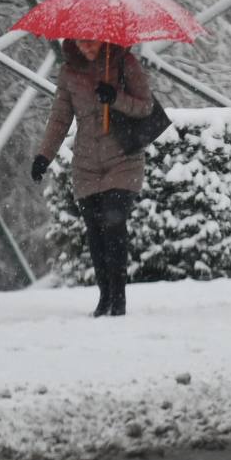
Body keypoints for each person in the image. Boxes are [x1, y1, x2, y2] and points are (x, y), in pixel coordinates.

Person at [32, 38, 153, 316]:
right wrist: (44, 156)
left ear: (103, 37)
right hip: (86, 165)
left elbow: (146, 107)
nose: (86, 47)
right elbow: (60, 119)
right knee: (95, 233)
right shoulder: (69, 72)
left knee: (113, 224)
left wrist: (116, 98)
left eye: (91, 41)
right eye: (80, 42)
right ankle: (104, 296)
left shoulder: (123, 62)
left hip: (123, 160)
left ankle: (119, 298)